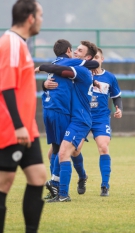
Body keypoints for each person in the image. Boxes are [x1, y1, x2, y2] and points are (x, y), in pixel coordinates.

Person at [0, 0, 63, 233]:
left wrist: (27, 126)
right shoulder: (11, 43)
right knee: (4, 182)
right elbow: (5, 88)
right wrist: (17, 126)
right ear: (29, 18)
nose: (42, 19)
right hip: (12, 128)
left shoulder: (21, 44)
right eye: (40, 15)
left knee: (37, 177)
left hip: (28, 128)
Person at [35, 41, 98, 202]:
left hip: (80, 119)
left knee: (63, 152)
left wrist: (43, 67)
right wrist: (45, 84)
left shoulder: (81, 71)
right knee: (57, 152)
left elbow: (59, 69)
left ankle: (61, 190)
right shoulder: (79, 70)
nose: (76, 52)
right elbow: (59, 76)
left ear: (87, 57)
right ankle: (60, 188)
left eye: (80, 50)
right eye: (75, 49)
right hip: (72, 117)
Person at [91, 48, 123, 196]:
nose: (94, 60)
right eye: (92, 57)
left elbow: (116, 96)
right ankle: (82, 176)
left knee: (103, 147)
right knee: (74, 150)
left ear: (102, 59)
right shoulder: (81, 74)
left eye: (97, 57)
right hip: (82, 116)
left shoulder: (109, 77)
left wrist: (119, 108)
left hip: (101, 118)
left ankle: (105, 185)